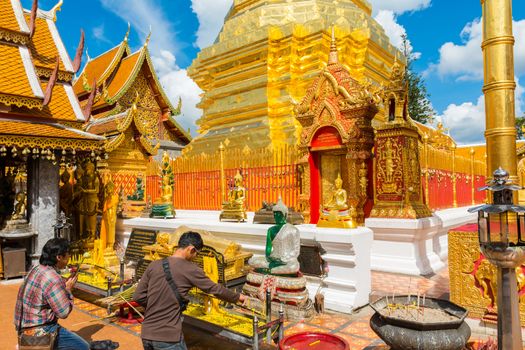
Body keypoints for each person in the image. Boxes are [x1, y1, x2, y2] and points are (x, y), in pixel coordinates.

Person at [133, 231, 246, 350]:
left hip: (147, 333)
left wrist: (156, 306)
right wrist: (237, 297)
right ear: (191, 249)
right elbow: (215, 289)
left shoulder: (154, 265)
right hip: (168, 337)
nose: (195, 257)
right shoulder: (191, 269)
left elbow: (138, 296)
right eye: (196, 253)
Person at [14, 237, 89, 350]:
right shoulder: (53, 278)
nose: (69, 257)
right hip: (40, 330)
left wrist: (62, 286)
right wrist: (68, 289)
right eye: (67, 254)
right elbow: (63, 313)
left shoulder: (35, 269)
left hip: (22, 327)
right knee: (84, 347)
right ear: (59, 257)